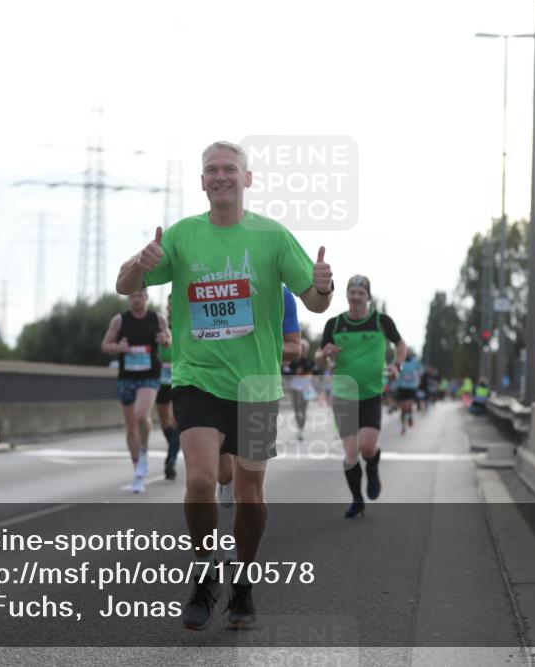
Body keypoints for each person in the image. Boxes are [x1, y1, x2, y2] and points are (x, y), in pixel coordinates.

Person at [116, 141, 332, 631]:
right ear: (202, 181)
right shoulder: (182, 235)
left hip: (256, 386)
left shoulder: (272, 237)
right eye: (211, 170)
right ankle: (204, 573)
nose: (220, 176)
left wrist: (324, 284)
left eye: (230, 169)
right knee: (200, 480)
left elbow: (316, 303)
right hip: (197, 379)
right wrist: (140, 262)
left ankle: (244, 583)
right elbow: (125, 285)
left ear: (247, 178)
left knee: (250, 496)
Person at [317, 275, 406, 518]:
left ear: (368, 297)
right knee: (350, 452)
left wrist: (397, 366)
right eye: (352, 292)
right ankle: (357, 499)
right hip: (343, 395)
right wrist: (324, 354)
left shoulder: (381, 321)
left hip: (370, 394)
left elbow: (401, 345)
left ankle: (373, 465)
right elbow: (319, 357)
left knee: (367, 448)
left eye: (361, 293)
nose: (356, 297)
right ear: (347, 295)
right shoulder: (334, 324)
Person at [218, 285, 300, 507]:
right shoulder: (216, 284)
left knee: (248, 491)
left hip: (257, 390)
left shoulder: (281, 294)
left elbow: (295, 349)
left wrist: (258, 345)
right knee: (222, 474)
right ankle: (225, 481)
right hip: (212, 385)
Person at [101, 288, 170, 493]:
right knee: (131, 427)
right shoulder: (119, 320)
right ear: (128, 299)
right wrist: (118, 348)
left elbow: (169, 340)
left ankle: (144, 451)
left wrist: (164, 341)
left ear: (147, 298)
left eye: (140, 296)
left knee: (141, 416)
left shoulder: (157, 319)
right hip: (127, 377)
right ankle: (138, 470)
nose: (136, 299)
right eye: (133, 296)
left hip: (150, 376)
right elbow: (106, 344)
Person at [156, 299, 181, 480]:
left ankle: (170, 461)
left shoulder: (187, 325)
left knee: (175, 421)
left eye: (173, 303)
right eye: (168, 304)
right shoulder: (159, 328)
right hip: (160, 381)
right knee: (165, 423)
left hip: (179, 380)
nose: (170, 307)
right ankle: (173, 446)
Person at [396, 352, 423, 435]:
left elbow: (421, 370)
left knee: (408, 406)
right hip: (401, 387)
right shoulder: (400, 361)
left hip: (411, 387)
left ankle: (410, 416)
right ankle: (403, 427)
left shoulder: (415, 361)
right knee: (403, 409)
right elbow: (395, 370)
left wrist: (417, 378)